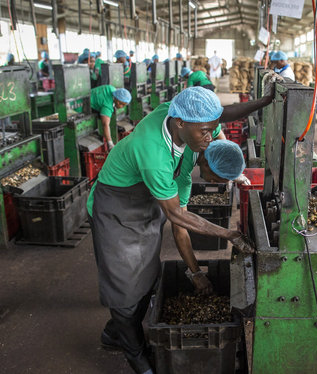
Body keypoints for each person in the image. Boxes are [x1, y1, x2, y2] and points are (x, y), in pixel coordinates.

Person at [87, 85, 275, 374]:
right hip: (116, 206)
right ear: (180, 123)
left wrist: (264, 101)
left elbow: (219, 117)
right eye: (205, 131)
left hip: (144, 203)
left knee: (147, 274)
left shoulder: (186, 131)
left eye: (212, 131)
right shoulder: (154, 153)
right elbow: (177, 215)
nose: (209, 135)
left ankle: (114, 332)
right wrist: (229, 235)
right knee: (124, 288)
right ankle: (136, 355)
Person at [90, 85, 131, 149]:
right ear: (117, 101)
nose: (122, 107)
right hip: (80, 108)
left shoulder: (111, 88)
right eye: (122, 105)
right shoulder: (107, 106)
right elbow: (105, 125)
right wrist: (110, 143)